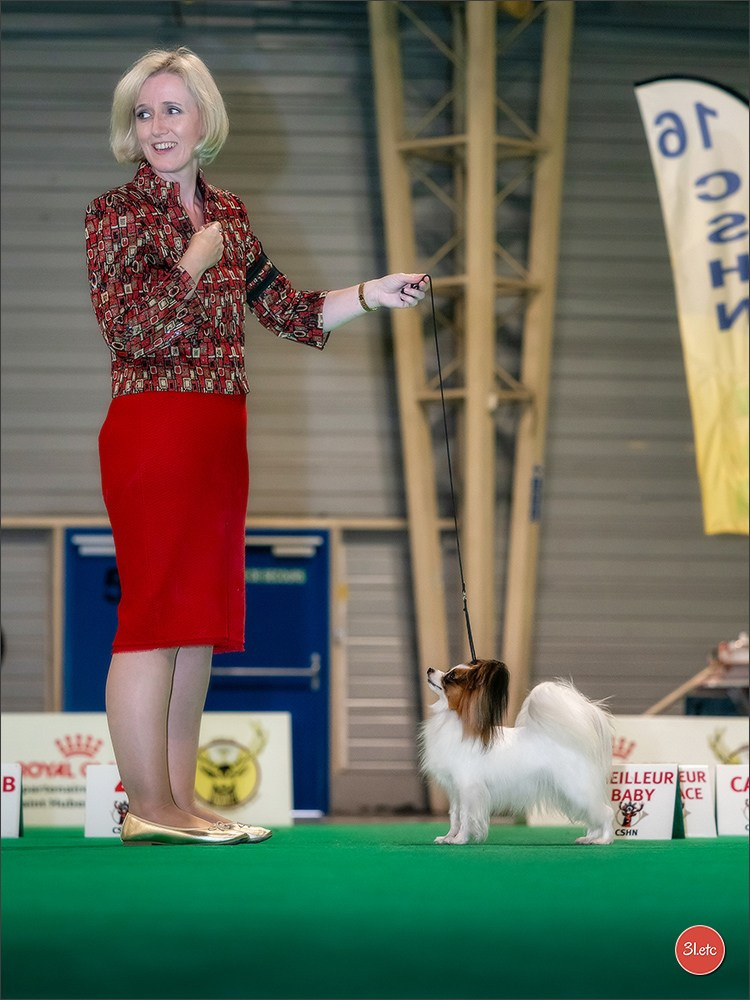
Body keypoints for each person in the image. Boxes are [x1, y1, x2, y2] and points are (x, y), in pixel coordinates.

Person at [85, 47, 428, 846]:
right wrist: (193, 263)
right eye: (144, 112)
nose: (159, 126)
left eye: (174, 109)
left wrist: (373, 295)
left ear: (204, 118)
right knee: (151, 619)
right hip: (152, 424)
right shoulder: (117, 214)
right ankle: (145, 809)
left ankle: (178, 800)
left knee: (197, 621)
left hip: (219, 429)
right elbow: (129, 329)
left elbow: (292, 311)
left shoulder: (230, 214)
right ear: (129, 130)